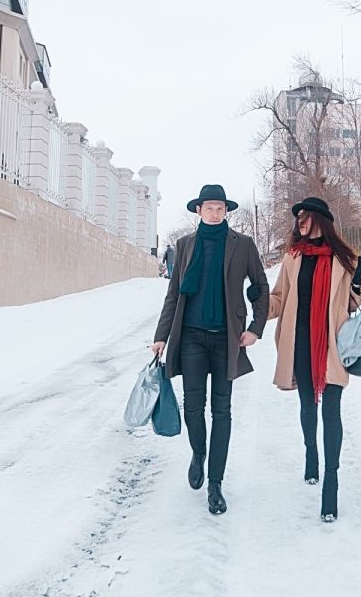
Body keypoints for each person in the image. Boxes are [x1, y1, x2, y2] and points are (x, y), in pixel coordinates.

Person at [152, 184, 269, 515]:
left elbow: (260, 287)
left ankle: (215, 483)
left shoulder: (243, 245)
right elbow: (173, 295)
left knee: (222, 410)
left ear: (226, 211)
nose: (215, 213)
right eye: (209, 208)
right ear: (199, 211)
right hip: (190, 336)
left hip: (225, 339)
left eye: (220, 208)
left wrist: (255, 328)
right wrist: (162, 335)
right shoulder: (186, 245)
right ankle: (199, 452)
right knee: (192, 407)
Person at [261, 196, 361, 522]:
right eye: (298, 219)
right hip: (301, 344)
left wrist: (359, 281)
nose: (300, 223)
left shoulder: (344, 260)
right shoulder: (293, 258)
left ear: (321, 219)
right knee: (309, 406)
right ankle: (311, 454)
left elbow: (352, 305)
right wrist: (256, 305)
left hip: (332, 347)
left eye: (305, 217)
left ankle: (331, 486)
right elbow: (278, 300)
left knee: (332, 412)